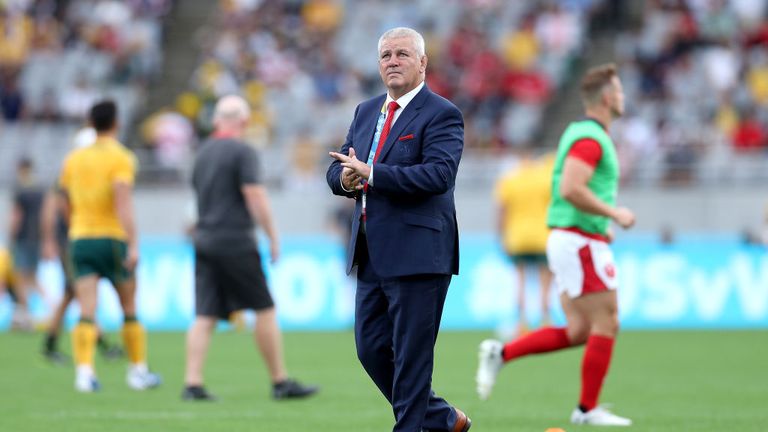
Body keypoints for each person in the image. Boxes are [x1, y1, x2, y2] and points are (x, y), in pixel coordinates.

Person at [476, 63, 636, 427]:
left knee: (581, 330)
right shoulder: (590, 139)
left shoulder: (579, 132)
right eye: (620, 92)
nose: (623, 97)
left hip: (575, 236)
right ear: (608, 98)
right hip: (578, 241)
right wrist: (614, 214)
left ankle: (501, 353)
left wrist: (599, 223)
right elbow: (570, 189)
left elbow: (569, 191)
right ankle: (585, 410)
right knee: (607, 320)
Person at [327, 27, 470, 432]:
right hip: (371, 252)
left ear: (422, 63)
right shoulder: (366, 110)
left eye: (403, 54)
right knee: (370, 349)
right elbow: (339, 168)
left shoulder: (442, 112)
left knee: (412, 357)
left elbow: (438, 175)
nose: (393, 61)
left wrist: (372, 174)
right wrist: (346, 180)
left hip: (420, 252)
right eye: (386, 55)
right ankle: (442, 418)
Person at [183, 95, 318, 401]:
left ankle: (193, 383)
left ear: (216, 120)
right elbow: (255, 196)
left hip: (204, 238)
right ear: (243, 122)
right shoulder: (243, 152)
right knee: (265, 308)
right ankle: (280, 381)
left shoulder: (201, 153)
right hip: (234, 239)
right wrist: (272, 235)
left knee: (205, 313)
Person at [59, 100, 161, 392]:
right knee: (128, 307)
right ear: (116, 123)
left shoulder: (74, 160)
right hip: (112, 238)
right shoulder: (122, 157)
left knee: (87, 310)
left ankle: (84, 373)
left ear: (90, 123)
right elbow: (123, 202)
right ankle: (137, 371)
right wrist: (134, 243)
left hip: (80, 238)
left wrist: (74, 227)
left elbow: (63, 200)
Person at [39, 185, 124, 364]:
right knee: (78, 294)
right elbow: (56, 211)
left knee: (71, 295)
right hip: (72, 243)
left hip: (73, 243)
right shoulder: (66, 184)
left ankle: (50, 342)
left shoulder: (70, 181)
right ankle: (102, 344)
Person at [494, 149, 554, 335]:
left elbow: (502, 211)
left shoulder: (509, 180)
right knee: (545, 282)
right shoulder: (545, 178)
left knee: (520, 280)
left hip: (517, 237)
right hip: (542, 236)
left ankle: (522, 322)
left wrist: (501, 236)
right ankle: (545, 321)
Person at [8, 157, 46, 329]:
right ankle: (52, 308)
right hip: (37, 238)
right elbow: (45, 216)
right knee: (33, 279)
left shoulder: (20, 190)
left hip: (23, 238)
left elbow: (17, 216)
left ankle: (26, 317)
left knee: (21, 279)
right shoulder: (39, 190)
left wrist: (11, 236)